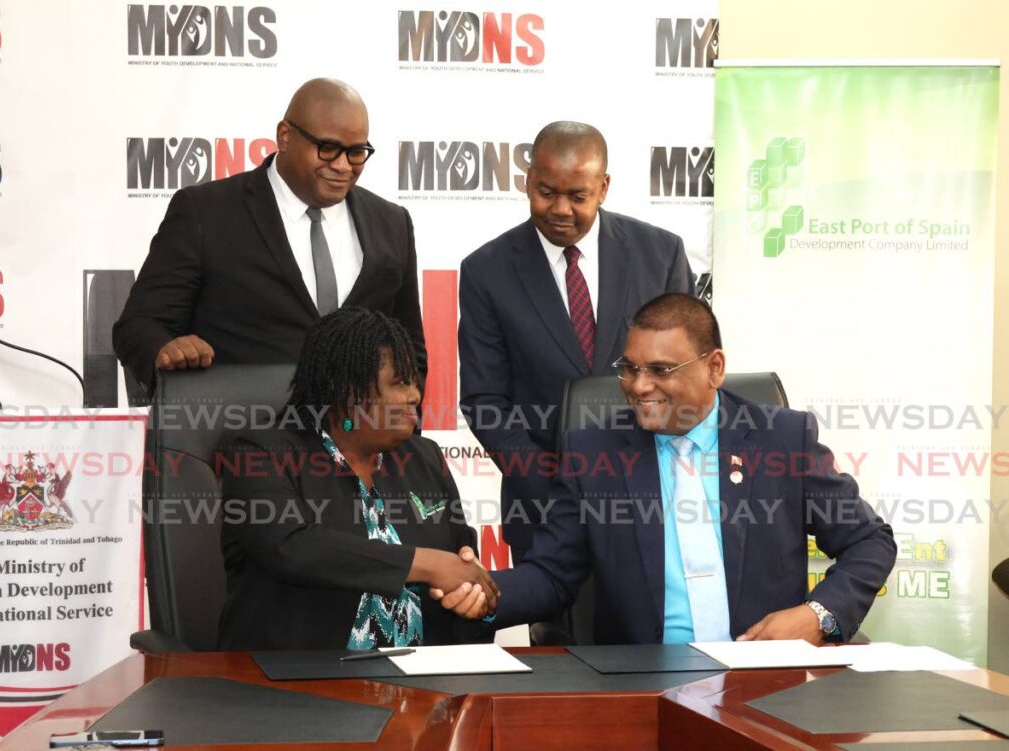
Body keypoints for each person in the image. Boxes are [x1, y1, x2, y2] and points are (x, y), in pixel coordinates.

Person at [437, 293, 897, 645]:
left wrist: (816, 616)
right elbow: (553, 575)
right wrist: (486, 590)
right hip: (644, 687)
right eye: (630, 368)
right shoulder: (592, 453)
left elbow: (869, 541)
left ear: (714, 367)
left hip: (763, 677)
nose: (639, 387)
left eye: (660, 370)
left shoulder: (782, 439)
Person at [458, 121, 695, 561]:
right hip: (543, 511)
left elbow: (686, 377)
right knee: (555, 631)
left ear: (603, 188)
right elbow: (485, 400)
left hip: (654, 497)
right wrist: (556, 488)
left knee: (653, 630)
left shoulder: (661, 254)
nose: (560, 209)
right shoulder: (485, 271)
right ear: (527, 182)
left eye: (578, 196)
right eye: (546, 192)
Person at [114, 78, 426, 393]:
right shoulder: (206, 212)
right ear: (285, 136)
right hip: (237, 433)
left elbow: (409, 349)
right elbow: (138, 326)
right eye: (328, 148)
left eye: (357, 152)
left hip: (356, 436)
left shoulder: (391, 223)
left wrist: (398, 432)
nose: (343, 166)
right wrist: (164, 350)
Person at [217, 308, 494, 650]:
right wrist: (428, 564)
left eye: (414, 382)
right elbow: (291, 546)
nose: (415, 396)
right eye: (400, 383)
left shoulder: (424, 457)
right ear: (345, 388)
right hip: (295, 684)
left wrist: (474, 600)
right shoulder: (260, 454)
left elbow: (463, 564)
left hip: (424, 682)